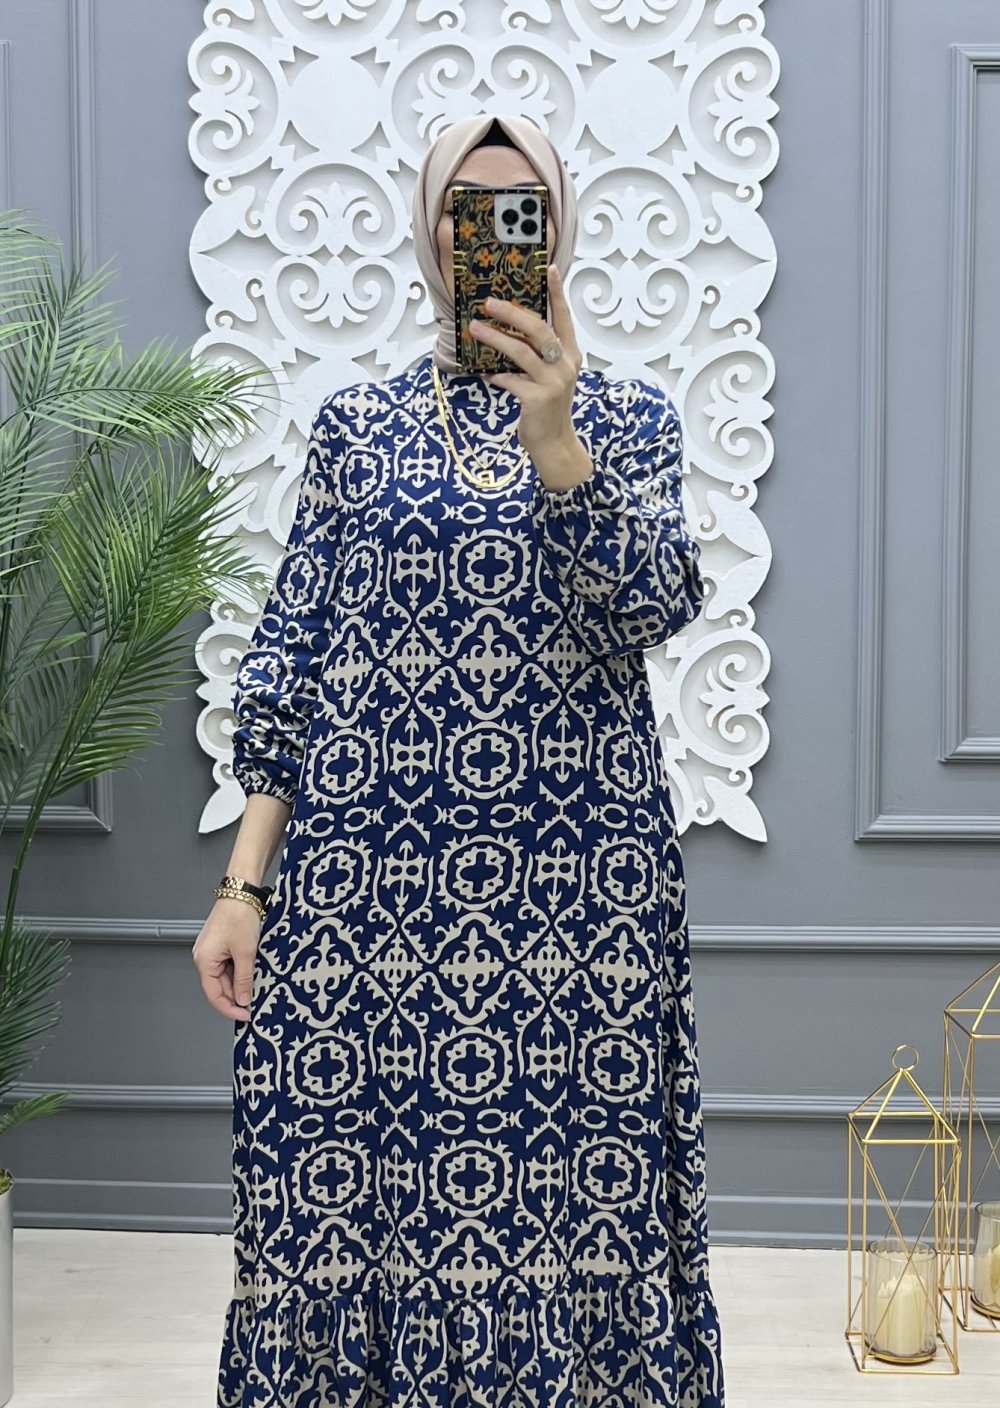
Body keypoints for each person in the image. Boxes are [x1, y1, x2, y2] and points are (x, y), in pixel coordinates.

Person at [195, 112, 726, 1408]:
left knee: (568, 1214)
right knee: (339, 1201)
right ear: (431, 234)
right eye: (464, 207)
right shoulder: (357, 427)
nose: (486, 231)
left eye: (517, 207)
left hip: (575, 902)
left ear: (558, 231)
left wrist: (561, 448)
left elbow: (652, 608)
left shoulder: (629, 420)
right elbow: (294, 655)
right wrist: (244, 885)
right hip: (370, 898)